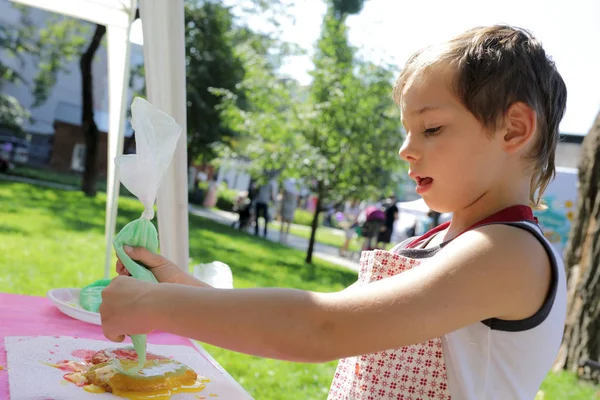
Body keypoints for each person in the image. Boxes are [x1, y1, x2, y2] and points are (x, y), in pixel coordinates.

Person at [100, 25, 567, 399]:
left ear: (513, 129)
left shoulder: (509, 253)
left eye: (431, 127)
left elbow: (323, 327)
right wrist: (179, 288)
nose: (406, 149)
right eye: (407, 131)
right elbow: (315, 317)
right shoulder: (430, 245)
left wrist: (154, 306)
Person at [279, 178, 299, 244]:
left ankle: (282, 236)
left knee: (283, 222)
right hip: (291, 207)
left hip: (286, 206)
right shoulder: (296, 191)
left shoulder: (287, 191)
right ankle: (285, 236)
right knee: (288, 223)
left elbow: (283, 199)